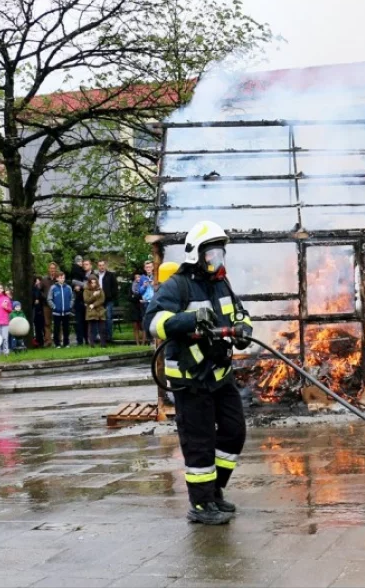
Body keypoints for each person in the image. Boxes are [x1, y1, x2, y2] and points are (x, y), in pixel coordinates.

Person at [143, 220, 253, 525]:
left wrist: (243, 328)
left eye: (220, 254)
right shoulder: (177, 285)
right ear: (196, 254)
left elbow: (240, 313)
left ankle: (215, 491)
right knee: (199, 442)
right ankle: (201, 505)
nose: (217, 260)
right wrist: (189, 319)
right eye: (212, 254)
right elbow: (152, 321)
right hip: (191, 381)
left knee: (234, 432)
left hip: (220, 374)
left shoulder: (221, 284)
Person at [47, 271, 74, 348]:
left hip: (66, 311)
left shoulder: (68, 288)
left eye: (63, 278)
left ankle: (66, 343)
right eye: (60, 278)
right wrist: (54, 307)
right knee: (56, 328)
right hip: (56, 312)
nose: (62, 279)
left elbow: (72, 298)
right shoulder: (53, 288)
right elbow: (49, 299)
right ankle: (57, 343)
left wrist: (70, 306)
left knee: (66, 328)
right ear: (57, 278)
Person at [96, 260, 119, 343]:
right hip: (98, 301)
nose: (101, 267)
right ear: (97, 266)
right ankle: (101, 336)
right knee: (99, 319)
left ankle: (109, 337)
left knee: (108, 318)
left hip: (108, 300)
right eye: (100, 265)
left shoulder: (110, 275)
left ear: (105, 266)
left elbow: (115, 287)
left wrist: (111, 297)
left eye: (103, 265)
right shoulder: (96, 276)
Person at [83, 275, 107, 348]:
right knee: (91, 329)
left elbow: (102, 300)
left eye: (95, 282)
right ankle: (92, 345)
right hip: (91, 312)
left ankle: (103, 345)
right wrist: (93, 295)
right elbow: (86, 300)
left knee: (102, 328)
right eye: (92, 283)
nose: (93, 284)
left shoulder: (100, 289)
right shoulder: (86, 290)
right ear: (89, 283)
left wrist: (93, 305)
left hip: (100, 311)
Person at [70, 257, 90, 346]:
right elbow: (73, 281)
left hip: (86, 300)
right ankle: (80, 340)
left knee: (85, 322)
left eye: (82, 262)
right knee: (79, 322)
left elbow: (88, 285)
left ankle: (86, 339)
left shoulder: (89, 274)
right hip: (79, 300)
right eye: (80, 262)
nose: (81, 264)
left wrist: (81, 286)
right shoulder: (76, 270)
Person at [39, 262, 59, 347]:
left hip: (57, 305)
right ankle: (48, 341)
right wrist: (45, 297)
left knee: (58, 322)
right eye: (51, 268)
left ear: (56, 269)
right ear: (48, 269)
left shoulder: (58, 279)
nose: (52, 270)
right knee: (47, 323)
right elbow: (40, 291)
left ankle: (59, 340)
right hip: (46, 305)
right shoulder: (44, 280)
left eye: (54, 269)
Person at [130, 272, 146, 346]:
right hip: (134, 308)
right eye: (136, 277)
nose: (137, 278)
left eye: (139, 277)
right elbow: (130, 297)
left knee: (143, 326)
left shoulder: (145, 285)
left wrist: (135, 296)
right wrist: (136, 297)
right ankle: (137, 343)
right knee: (135, 326)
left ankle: (143, 343)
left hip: (142, 307)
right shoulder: (132, 286)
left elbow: (144, 296)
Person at [31, 276, 46, 348]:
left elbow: (43, 297)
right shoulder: (33, 289)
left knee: (43, 326)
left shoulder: (41, 290)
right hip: (36, 310)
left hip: (41, 309)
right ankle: (39, 341)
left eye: (39, 281)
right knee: (37, 327)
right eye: (36, 281)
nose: (37, 283)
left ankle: (43, 341)